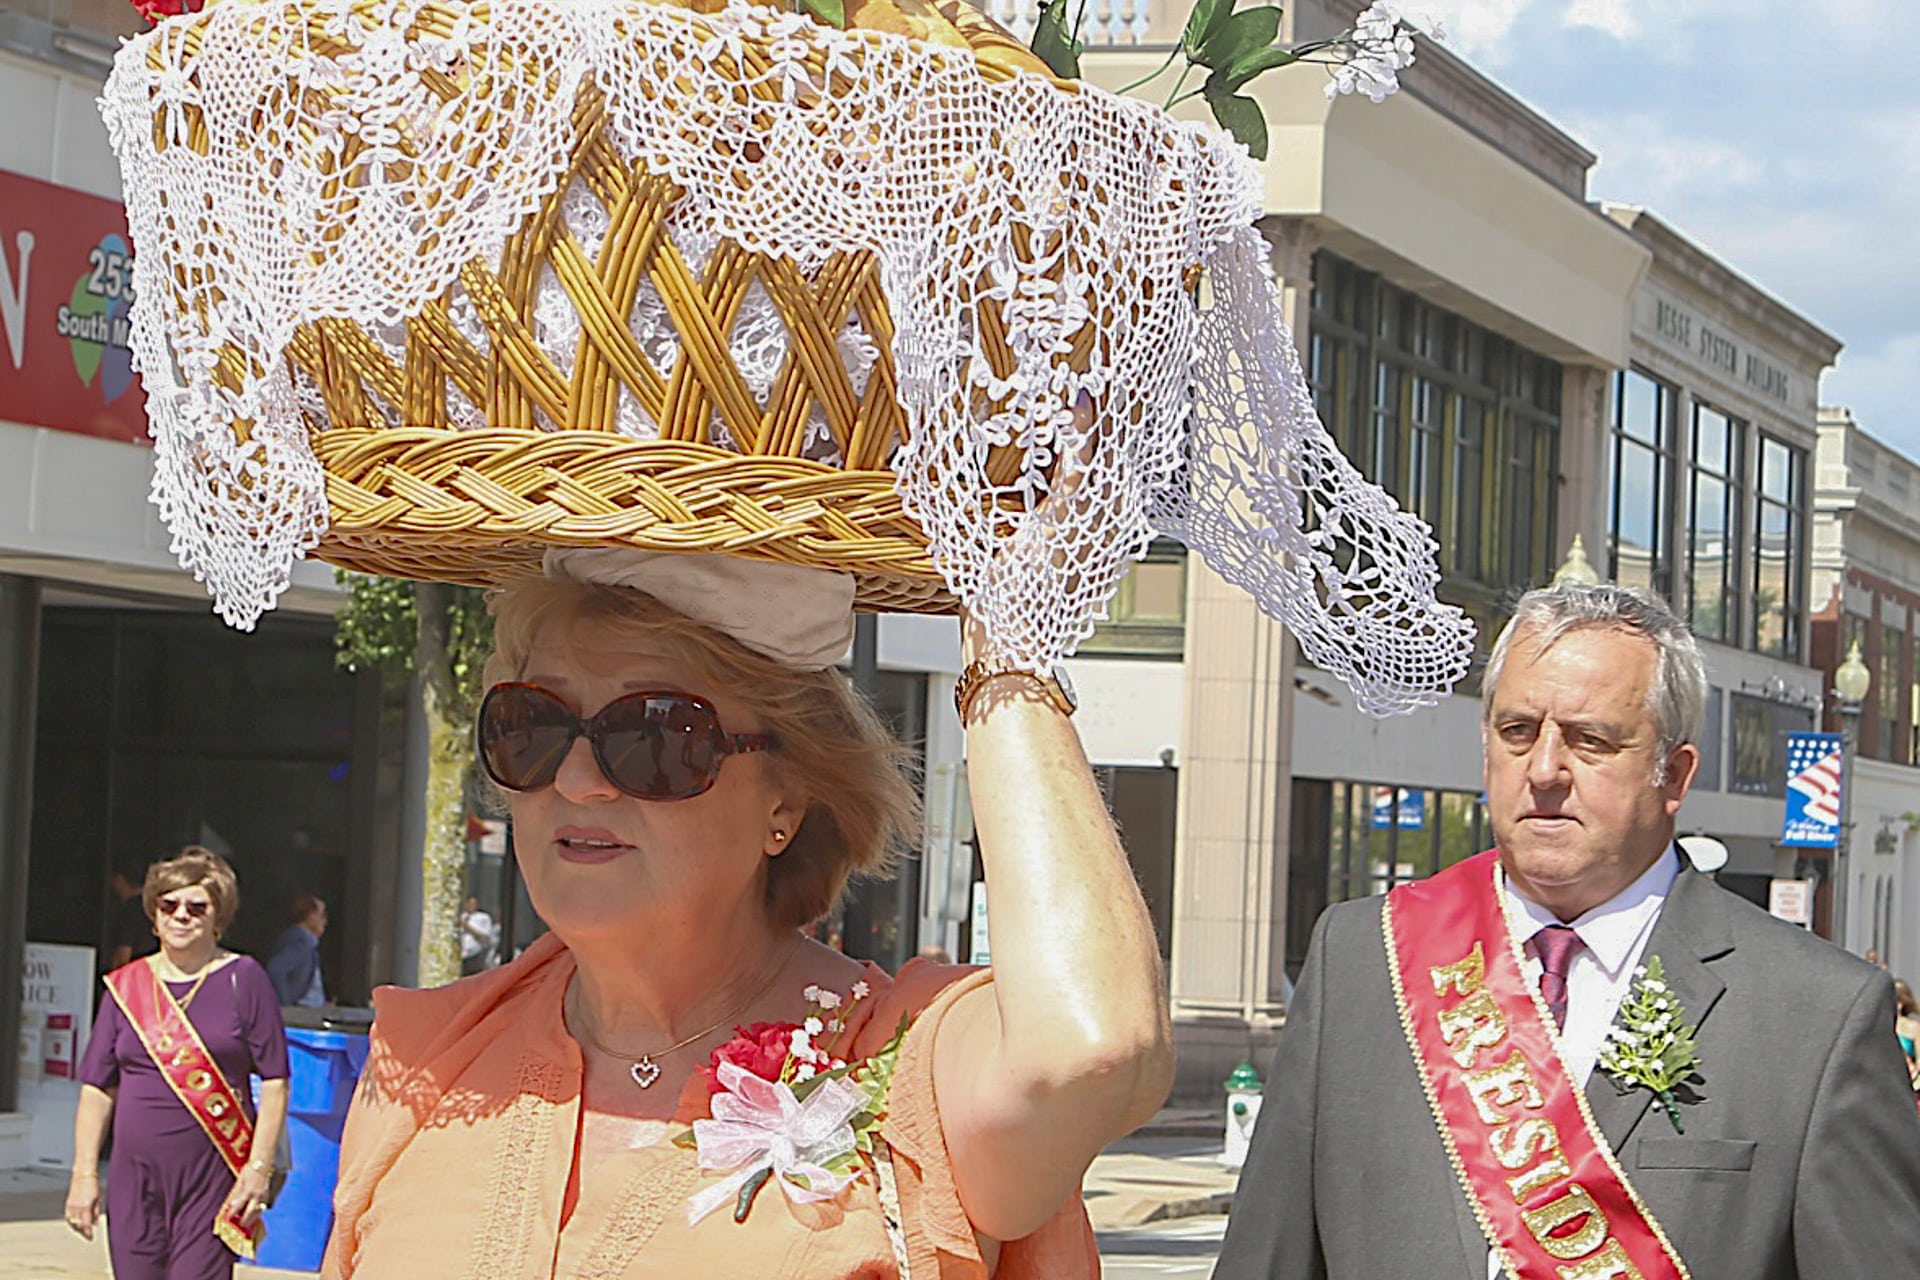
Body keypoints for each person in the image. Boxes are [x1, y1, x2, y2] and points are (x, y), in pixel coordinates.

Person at [321, 560, 1171, 1277]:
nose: (578, 782)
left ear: (786, 801)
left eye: (655, 736)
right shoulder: (428, 1055)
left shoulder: (908, 1064)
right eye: (533, 728)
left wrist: (1009, 652)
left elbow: (1094, 1050)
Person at [1215, 584, 1920, 1280]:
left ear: (1672, 776)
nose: (1545, 770)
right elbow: (1267, 1256)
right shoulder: (1363, 958)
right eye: (1518, 731)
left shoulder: (1816, 1014)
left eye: (1591, 741)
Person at [68, 847, 290, 1276]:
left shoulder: (245, 979)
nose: (181, 916)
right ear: (153, 914)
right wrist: (83, 1176)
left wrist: (258, 1170)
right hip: (135, 1180)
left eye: (196, 906)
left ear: (217, 917)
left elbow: (277, 1080)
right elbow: (98, 1087)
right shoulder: (126, 987)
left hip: (211, 1177)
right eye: (168, 905)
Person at [266, 892, 327, 1008]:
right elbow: (276, 969)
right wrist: (286, 1004)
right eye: (322, 915)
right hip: (302, 1012)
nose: (325, 922)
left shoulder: (307, 942)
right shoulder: (301, 941)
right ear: (311, 915)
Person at [103, 860, 156, 972]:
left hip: (135, 975)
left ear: (119, 880)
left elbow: (122, 955)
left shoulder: (130, 910)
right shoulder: (155, 906)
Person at [459, 895, 498, 977]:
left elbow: (483, 937)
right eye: (469, 904)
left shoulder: (483, 918)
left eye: (474, 904)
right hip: (461, 955)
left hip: (475, 955)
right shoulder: (461, 917)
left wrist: (467, 926)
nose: (472, 906)